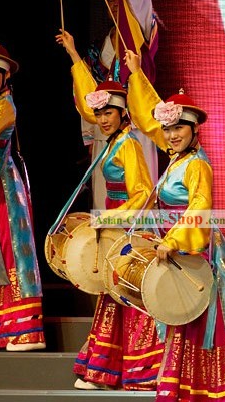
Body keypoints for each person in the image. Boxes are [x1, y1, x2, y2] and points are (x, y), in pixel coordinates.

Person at [124, 49, 225, 401]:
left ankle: (221, 391)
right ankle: (187, 388)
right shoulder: (177, 158)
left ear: (193, 128)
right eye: (168, 128)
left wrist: (174, 241)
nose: (171, 135)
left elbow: (200, 207)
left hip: (197, 251)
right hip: (177, 249)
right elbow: (145, 114)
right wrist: (137, 73)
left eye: (178, 128)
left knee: (207, 324)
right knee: (183, 321)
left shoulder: (196, 165)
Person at [69, 77, 164, 390]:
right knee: (112, 295)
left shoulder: (129, 145)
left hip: (131, 227)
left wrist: (109, 218)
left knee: (129, 293)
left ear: (123, 113)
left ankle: (141, 370)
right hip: (116, 225)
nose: (103, 119)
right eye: (99, 114)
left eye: (108, 113)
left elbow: (142, 193)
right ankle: (107, 368)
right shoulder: (114, 143)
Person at [55, 0, 159, 211]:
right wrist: (89, 135)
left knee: (139, 196)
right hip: (106, 130)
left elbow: (142, 0)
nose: (115, 5)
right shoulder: (100, 48)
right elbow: (91, 91)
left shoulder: (139, 36)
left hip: (136, 127)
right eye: (110, 0)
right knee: (105, 201)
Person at [0, 43, 46, 352]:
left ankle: (25, 329)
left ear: (6, 75)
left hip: (2, 189)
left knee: (11, 252)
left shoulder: (4, 107)